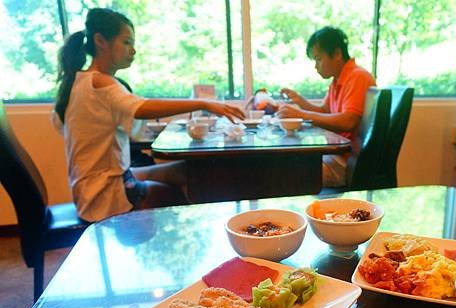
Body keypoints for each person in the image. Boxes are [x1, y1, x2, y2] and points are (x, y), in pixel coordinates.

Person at [53, 8, 245, 222]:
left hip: (93, 186)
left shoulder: (78, 81)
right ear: (100, 41)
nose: (133, 50)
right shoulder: (100, 82)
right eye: (126, 42)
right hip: (103, 195)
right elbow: (141, 108)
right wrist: (203, 103)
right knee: (183, 200)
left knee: (186, 171)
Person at [277, 26, 376, 187]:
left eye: (318, 59)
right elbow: (324, 112)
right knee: (286, 164)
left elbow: (348, 121)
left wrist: (302, 114)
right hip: (335, 156)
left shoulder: (357, 77)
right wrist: (300, 101)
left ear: (337, 54)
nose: (316, 66)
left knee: (286, 174)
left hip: (347, 163)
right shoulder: (338, 79)